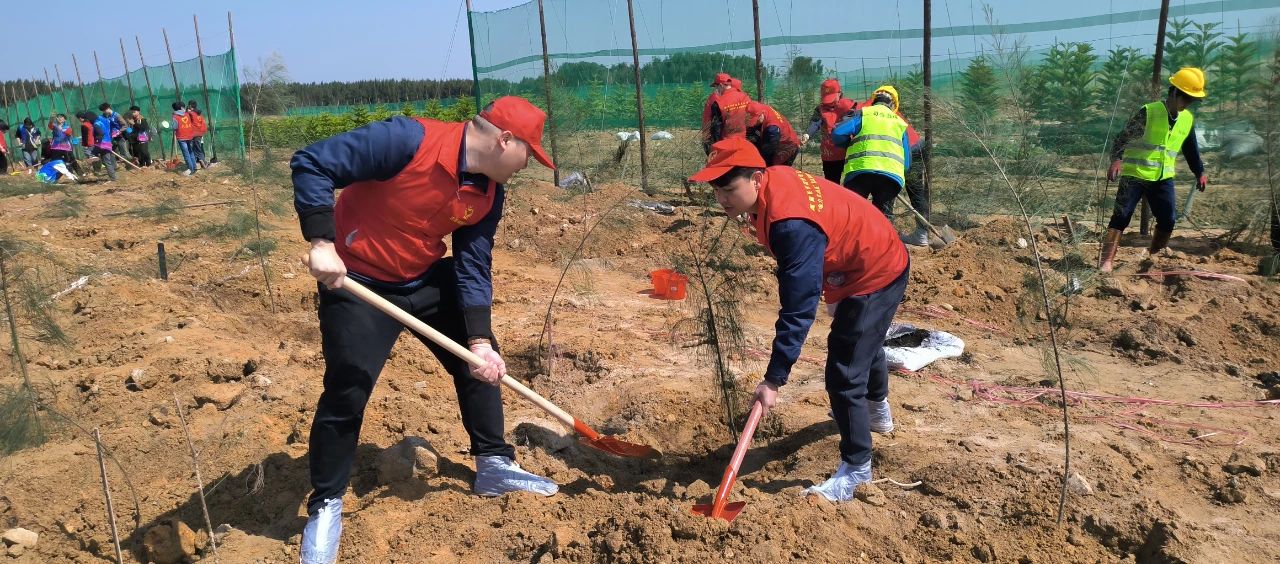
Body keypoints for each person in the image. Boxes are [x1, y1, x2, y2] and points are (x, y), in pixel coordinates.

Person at [291, 95, 559, 563]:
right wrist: (321, 241)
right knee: (348, 386)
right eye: (529, 155)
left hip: (422, 276)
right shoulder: (406, 140)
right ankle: (326, 504)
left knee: (478, 362)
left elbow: (473, 263)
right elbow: (312, 162)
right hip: (357, 280)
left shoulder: (490, 191)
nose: (528, 165)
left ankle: (493, 462)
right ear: (505, 139)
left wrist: (477, 336)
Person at [689, 137, 909, 502]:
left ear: (757, 178)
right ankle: (877, 412)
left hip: (875, 267)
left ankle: (856, 470)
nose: (722, 199)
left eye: (730, 189)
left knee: (843, 371)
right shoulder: (774, 183)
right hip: (858, 255)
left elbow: (798, 307)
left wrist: (774, 379)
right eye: (717, 191)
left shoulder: (790, 224)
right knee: (860, 342)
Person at [1100, 67, 1208, 272]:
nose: (1188, 104)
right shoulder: (1149, 112)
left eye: (1192, 100)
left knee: (1168, 219)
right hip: (1135, 175)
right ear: (1174, 92)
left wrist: (1199, 172)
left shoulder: (1186, 120)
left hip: (1162, 178)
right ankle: (1106, 261)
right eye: (1186, 98)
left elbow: (1190, 149)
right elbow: (1122, 138)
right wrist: (1116, 160)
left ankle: (1154, 256)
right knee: (1121, 216)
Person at [832, 85, 911, 220]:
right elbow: (907, 164)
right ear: (894, 105)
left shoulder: (864, 114)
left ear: (874, 100)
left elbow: (837, 134)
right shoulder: (900, 123)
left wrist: (848, 144)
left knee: (853, 214)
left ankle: (853, 239)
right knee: (882, 219)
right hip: (890, 178)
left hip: (860, 172)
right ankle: (883, 240)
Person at [806, 79, 858, 183]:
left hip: (849, 151)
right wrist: (807, 134)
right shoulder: (820, 109)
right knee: (832, 183)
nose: (828, 102)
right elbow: (815, 123)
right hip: (830, 154)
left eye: (831, 98)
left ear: (839, 93)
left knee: (852, 183)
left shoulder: (849, 106)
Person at [745, 100, 800, 166]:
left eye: (755, 120)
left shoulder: (772, 129)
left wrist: (758, 162)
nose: (754, 123)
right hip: (775, 138)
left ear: (761, 114)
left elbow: (768, 151)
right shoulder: (760, 107)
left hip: (787, 147)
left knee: (774, 169)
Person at [706, 74, 752, 146]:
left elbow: (716, 129)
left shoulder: (718, 103)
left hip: (727, 142)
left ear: (721, 85)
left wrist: (715, 146)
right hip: (744, 139)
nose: (716, 90)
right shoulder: (745, 97)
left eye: (716, 87)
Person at [90, 111, 117, 182]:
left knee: (106, 161)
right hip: (106, 143)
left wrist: (97, 143)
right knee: (106, 161)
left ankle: (113, 178)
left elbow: (100, 134)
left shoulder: (96, 124)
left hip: (103, 144)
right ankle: (113, 177)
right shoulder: (99, 122)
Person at [172, 102, 198, 175]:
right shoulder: (187, 114)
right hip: (189, 136)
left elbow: (174, 127)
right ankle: (194, 167)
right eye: (183, 107)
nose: (184, 108)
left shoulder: (175, 117)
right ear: (181, 108)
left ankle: (191, 169)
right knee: (190, 152)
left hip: (181, 137)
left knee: (186, 154)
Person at [187, 100, 208, 168]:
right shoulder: (199, 113)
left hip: (194, 133)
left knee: (196, 148)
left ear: (190, 106)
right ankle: (198, 161)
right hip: (200, 133)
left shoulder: (191, 113)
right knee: (197, 147)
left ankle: (203, 161)